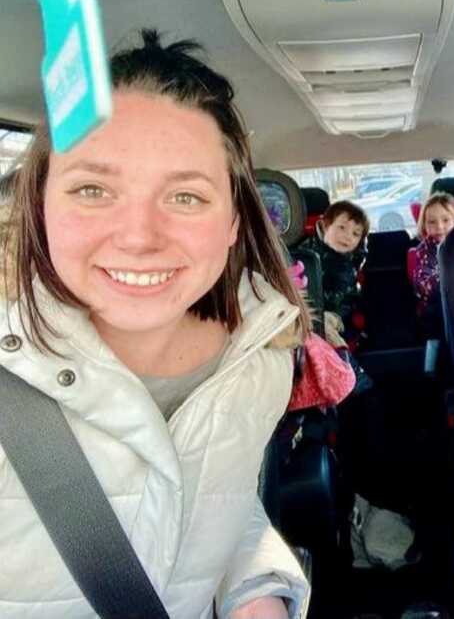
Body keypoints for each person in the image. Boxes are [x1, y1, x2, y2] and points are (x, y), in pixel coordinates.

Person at [0, 30, 313, 618]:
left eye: (186, 197)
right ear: (40, 206)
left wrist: (258, 588)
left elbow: (208, 497)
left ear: (232, 223)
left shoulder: (259, 361)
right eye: (93, 189)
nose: (139, 237)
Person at [299, 200, 368, 345]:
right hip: (312, 316)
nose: (348, 236)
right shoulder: (307, 255)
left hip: (341, 317)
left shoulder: (352, 260)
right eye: (341, 227)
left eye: (356, 234)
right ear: (324, 226)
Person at [411, 191, 454, 318]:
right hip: (436, 306)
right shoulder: (424, 250)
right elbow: (424, 285)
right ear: (424, 225)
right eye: (432, 222)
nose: (439, 227)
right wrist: (449, 277)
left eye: (446, 220)